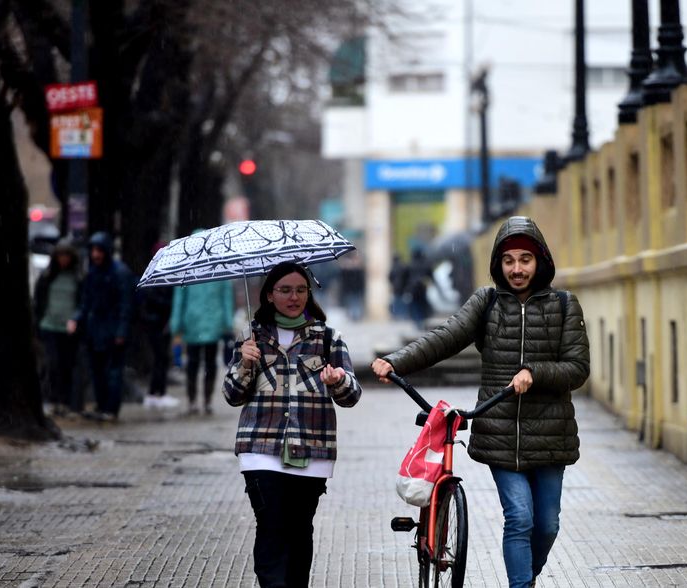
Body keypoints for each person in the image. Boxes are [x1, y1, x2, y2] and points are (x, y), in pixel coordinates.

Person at [371, 216, 590, 588]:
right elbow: (445, 337)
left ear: (540, 261)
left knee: (547, 525)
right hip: (498, 431)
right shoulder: (486, 303)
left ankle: (528, 577)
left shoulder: (565, 305)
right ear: (497, 264)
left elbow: (578, 367)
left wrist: (535, 372)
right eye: (508, 261)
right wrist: (396, 360)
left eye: (525, 259)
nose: (517, 269)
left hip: (552, 436)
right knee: (519, 517)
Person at [224, 261, 361, 588]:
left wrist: (338, 380)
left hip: (311, 453)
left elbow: (352, 395)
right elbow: (232, 394)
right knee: (271, 526)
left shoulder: (328, 338)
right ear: (269, 295)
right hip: (261, 451)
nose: (293, 296)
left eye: (300, 290)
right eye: (285, 290)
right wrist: (245, 363)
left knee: (300, 531)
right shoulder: (251, 339)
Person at [72, 231, 134, 421]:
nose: (95, 255)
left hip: (112, 331)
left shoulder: (119, 273)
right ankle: (102, 405)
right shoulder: (93, 273)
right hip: (96, 331)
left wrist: (121, 331)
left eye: (99, 250)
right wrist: (77, 319)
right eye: (93, 250)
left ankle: (110, 409)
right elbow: (86, 302)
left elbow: (125, 305)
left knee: (113, 372)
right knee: (97, 371)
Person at [169, 246, 234, 414]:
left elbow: (179, 299)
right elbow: (226, 297)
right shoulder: (219, 267)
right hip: (213, 324)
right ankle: (207, 400)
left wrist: (176, 323)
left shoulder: (187, 268)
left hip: (192, 324)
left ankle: (192, 401)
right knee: (210, 363)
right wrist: (228, 322)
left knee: (193, 363)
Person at [33, 238, 82, 416]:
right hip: (49, 326)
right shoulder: (47, 277)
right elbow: (39, 301)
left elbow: (81, 301)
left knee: (66, 365)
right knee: (52, 364)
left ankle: (64, 399)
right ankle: (54, 398)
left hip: (69, 329)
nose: (63, 259)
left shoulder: (77, 278)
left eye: (66, 256)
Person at [138, 242, 179, 409]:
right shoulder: (156, 275)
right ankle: (156, 393)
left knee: (161, 358)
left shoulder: (164, 274)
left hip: (161, 323)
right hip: (156, 324)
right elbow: (152, 300)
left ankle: (158, 392)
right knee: (159, 359)